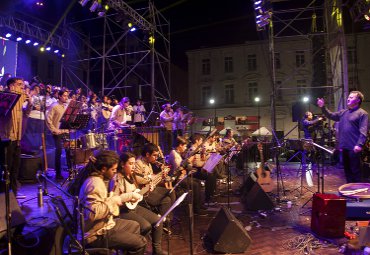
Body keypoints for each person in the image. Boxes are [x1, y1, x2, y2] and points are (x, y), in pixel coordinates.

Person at [78, 150, 147, 254]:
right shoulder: (94, 183)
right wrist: (114, 200)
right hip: (96, 234)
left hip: (104, 224)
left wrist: (127, 196)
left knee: (134, 225)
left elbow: (106, 202)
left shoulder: (100, 179)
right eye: (113, 169)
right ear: (104, 169)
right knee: (141, 242)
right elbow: (92, 213)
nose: (115, 171)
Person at [111, 152, 167, 255]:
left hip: (134, 207)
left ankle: (157, 250)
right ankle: (133, 248)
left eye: (134, 163)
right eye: (131, 164)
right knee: (145, 226)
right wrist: (128, 197)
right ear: (122, 164)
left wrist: (147, 190)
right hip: (122, 210)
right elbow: (114, 199)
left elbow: (138, 194)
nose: (133, 166)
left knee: (158, 221)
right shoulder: (117, 178)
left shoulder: (133, 176)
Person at [317, 91, 368, 183]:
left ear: (358, 100)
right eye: (348, 97)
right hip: (344, 147)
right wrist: (323, 107)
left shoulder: (362, 114)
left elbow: (363, 131)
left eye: (351, 97)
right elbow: (331, 115)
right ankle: (349, 192)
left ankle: (357, 194)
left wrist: (359, 145)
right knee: (347, 172)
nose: (348, 98)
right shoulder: (343, 112)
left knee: (355, 172)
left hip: (354, 147)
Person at [0, 77, 31, 198]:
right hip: (6, 138)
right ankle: (4, 194)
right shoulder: (5, 98)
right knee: (6, 168)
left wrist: (29, 103)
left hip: (18, 139)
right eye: (19, 85)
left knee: (15, 169)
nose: (22, 88)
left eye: (23, 85)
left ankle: (13, 194)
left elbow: (27, 114)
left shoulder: (21, 99)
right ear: (11, 86)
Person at [167, 136, 208, 216]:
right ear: (180, 145)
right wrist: (189, 161)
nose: (185, 148)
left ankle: (199, 205)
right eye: (184, 146)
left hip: (182, 176)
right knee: (195, 185)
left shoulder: (178, 153)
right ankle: (196, 209)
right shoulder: (174, 154)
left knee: (198, 182)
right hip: (176, 179)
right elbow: (179, 168)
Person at [134, 143, 176, 219]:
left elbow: (153, 180)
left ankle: (168, 216)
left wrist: (162, 177)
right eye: (154, 155)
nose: (156, 158)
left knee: (171, 191)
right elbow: (138, 179)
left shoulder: (149, 163)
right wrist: (154, 176)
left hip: (152, 188)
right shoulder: (138, 163)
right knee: (166, 200)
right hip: (144, 192)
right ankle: (164, 221)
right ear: (147, 154)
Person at [45, 89, 70, 180]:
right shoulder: (54, 106)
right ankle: (58, 174)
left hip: (66, 131)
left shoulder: (67, 107)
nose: (66, 97)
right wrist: (54, 130)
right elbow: (48, 119)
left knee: (69, 152)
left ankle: (70, 172)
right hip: (58, 132)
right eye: (64, 95)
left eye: (67, 96)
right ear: (59, 96)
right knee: (58, 152)